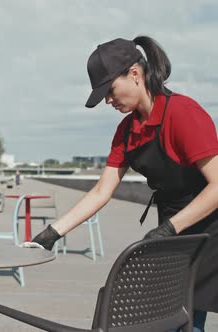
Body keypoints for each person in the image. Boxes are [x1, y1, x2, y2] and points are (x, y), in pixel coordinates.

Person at [30, 36, 218, 331]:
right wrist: (53, 232)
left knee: (185, 315)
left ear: (134, 74)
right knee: (169, 314)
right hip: (173, 226)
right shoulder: (127, 130)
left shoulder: (183, 114)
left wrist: (169, 229)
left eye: (110, 90)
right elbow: (102, 191)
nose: (108, 100)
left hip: (210, 225)